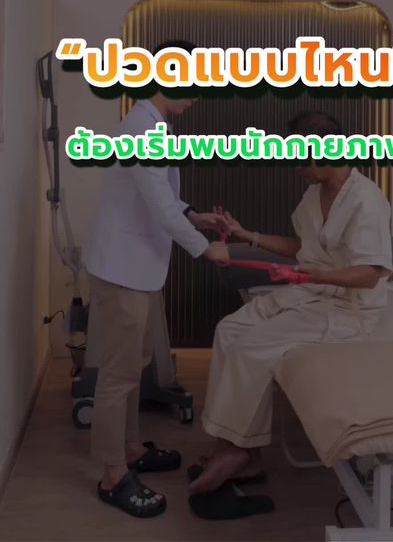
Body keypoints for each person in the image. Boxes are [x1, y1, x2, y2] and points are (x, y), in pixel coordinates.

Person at [189, 110, 393, 495]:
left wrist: (317, 276)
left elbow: (371, 273)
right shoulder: (314, 193)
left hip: (347, 309)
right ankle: (233, 445)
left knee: (250, 347)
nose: (295, 167)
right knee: (229, 330)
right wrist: (246, 235)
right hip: (311, 293)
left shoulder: (366, 200)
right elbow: (302, 247)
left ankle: (237, 451)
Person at [82, 40, 229, 518]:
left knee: (136, 363)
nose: (199, 94)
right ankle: (112, 475)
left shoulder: (154, 126)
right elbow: (161, 209)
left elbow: (161, 196)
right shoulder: (142, 128)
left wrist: (194, 215)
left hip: (139, 267)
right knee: (118, 375)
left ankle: (128, 448)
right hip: (123, 267)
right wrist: (206, 247)